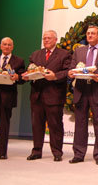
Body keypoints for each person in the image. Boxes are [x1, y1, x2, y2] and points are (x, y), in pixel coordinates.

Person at [23, 30, 71, 161]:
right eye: (44, 38)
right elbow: (30, 69)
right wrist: (27, 76)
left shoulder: (64, 54)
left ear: (56, 40)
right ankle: (36, 151)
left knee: (55, 125)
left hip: (54, 95)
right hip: (37, 95)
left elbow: (68, 71)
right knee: (36, 125)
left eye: (49, 38)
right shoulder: (35, 54)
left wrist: (55, 76)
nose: (46, 40)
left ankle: (57, 152)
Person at [68, 25, 98, 165]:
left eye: (93, 33)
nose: (90, 36)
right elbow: (72, 68)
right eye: (88, 33)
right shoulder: (78, 51)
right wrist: (70, 73)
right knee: (80, 124)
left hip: (97, 90)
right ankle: (79, 154)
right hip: (81, 90)